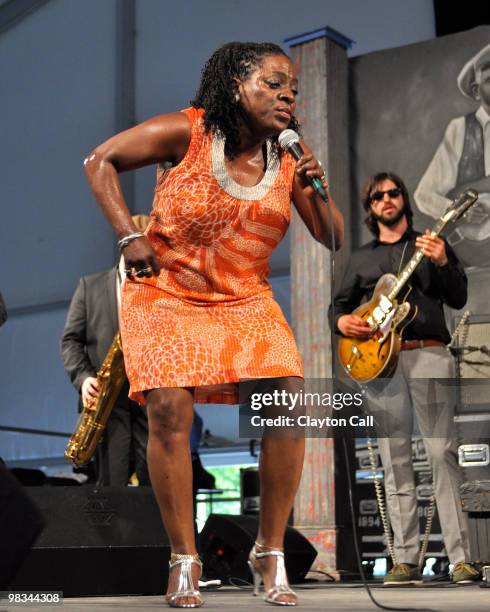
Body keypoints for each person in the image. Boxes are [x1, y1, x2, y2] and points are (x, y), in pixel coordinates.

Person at [84, 42, 344, 608]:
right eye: (274, 83)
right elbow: (98, 160)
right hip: (167, 287)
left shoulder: (289, 158)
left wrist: (316, 179)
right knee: (170, 409)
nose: (287, 95)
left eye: (293, 89)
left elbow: (332, 235)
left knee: (288, 400)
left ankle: (268, 551)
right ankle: (184, 557)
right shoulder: (188, 130)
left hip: (244, 294)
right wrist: (130, 235)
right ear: (235, 86)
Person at [333, 171, 479, 585]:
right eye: (377, 196)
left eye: (393, 192)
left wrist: (443, 262)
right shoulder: (361, 258)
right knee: (394, 461)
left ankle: (461, 559)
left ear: (404, 199)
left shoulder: (432, 244)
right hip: (381, 363)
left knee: (441, 455)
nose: (386, 199)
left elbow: (458, 297)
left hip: (428, 353)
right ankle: (405, 559)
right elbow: (339, 307)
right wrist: (344, 321)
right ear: (370, 208)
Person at [60, 215, 151, 487]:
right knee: (112, 486)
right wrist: (83, 378)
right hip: (107, 401)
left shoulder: (159, 287)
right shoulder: (90, 286)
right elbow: (70, 341)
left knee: (155, 485)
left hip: (149, 397)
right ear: (124, 244)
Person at [414, 44, 490, 268]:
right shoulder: (460, 129)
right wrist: (461, 211)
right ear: (476, 91)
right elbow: (424, 195)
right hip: (474, 262)